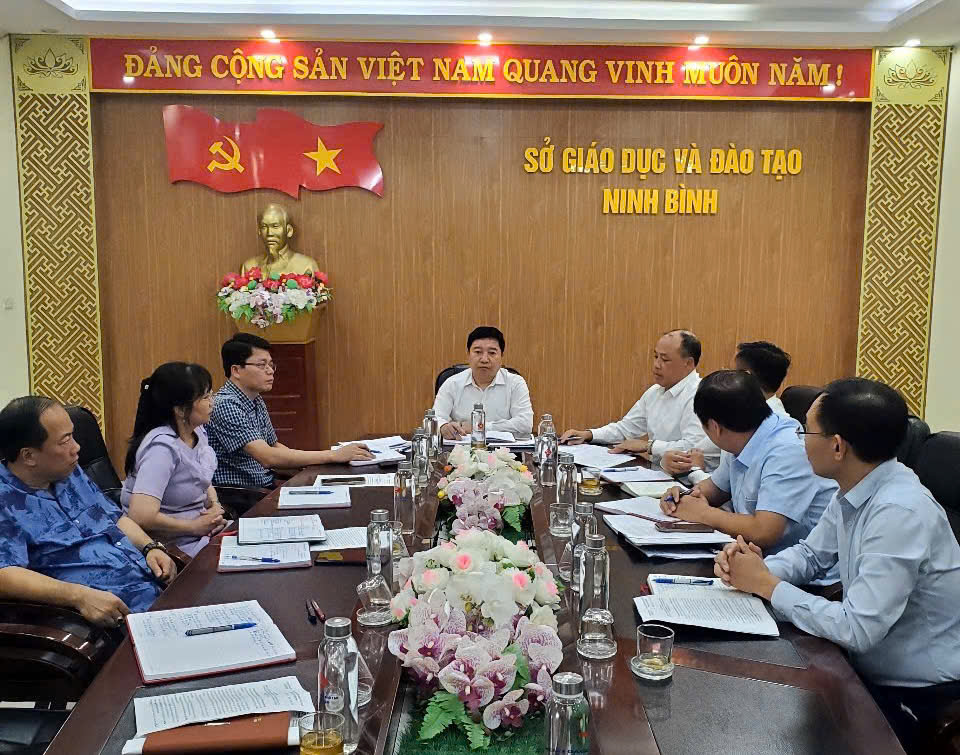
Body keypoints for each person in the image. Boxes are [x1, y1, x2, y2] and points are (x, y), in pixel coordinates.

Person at [714, 378, 960, 753]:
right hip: (862, 665)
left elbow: (857, 628)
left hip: (916, 692)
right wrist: (751, 569)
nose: (799, 440)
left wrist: (767, 585)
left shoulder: (899, 512)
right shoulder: (857, 484)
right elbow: (811, 555)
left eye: (806, 430)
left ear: (838, 446)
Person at [0, 397, 177, 628]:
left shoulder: (68, 472)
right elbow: (4, 573)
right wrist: (78, 596)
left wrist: (150, 547)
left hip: (153, 589)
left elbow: (114, 517)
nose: (77, 448)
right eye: (65, 441)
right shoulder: (5, 499)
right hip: (107, 618)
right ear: (29, 456)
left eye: (73, 435)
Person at [660, 370, 836, 557]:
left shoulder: (787, 450)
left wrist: (703, 514)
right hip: (757, 557)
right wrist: (682, 497)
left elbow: (764, 532)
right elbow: (716, 489)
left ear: (714, 427)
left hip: (802, 567)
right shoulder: (742, 434)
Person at [207, 333, 373, 489]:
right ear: (236, 370)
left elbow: (274, 445)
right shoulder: (225, 404)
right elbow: (267, 457)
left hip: (266, 484)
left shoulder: (255, 399)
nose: (270, 370)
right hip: (241, 494)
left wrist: (315, 465)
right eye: (261, 365)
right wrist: (333, 455)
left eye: (271, 364)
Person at [560, 329, 720, 474]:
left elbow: (694, 448)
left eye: (665, 360)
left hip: (692, 482)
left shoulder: (700, 395)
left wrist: (648, 446)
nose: (656, 365)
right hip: (658, 475)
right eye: (655, 357)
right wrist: (589, 434)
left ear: (688, 363)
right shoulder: (655, 392)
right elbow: (625, 429)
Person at [121, 362, 227, 558]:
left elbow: (201, 479)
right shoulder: (161, 448)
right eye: (205, 397)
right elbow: (141, 515)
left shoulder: (197, 432)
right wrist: (194, 526)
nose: (212, 403)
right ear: (180, 409)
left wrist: (214, 507)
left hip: (203, 534)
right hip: (174, 548)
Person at [434, 326, 534, 439]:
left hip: (505, 449)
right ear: (468, 354)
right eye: (478, 352)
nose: (484, 359)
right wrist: (443, 426)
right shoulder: (452, 383)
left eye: (492, 353)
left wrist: (479, 427)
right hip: (461, 448)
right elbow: (435, 418)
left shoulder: (515, 383)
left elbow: (525, 423)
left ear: (502, 356)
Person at [241, 203, 320, 277]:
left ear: (289, 231)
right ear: (259, 231)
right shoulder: (249, 267)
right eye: (264, 226)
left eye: (275, 226)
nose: (269, 233)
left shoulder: (306, 266)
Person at [734, 341, 791, 416]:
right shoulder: (746, 408)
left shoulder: (777, 420)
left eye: (736, 373)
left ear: (747, 376)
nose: (732, 378)